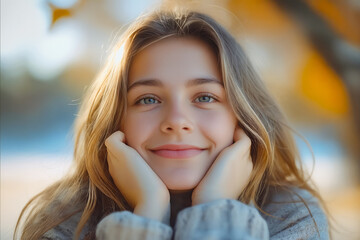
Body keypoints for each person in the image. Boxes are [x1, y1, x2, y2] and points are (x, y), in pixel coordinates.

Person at [15, 8, 330, 240]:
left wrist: (215, 210)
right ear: (115, 119)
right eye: (148, 99)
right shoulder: (65, 223)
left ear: (242, 115)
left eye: (205, 97)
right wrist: (149, 211)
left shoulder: (292, 218)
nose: (177, 122)